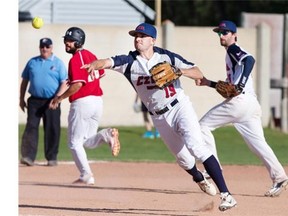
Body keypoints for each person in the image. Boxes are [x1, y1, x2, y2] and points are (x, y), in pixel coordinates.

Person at [81, 22, 237, 211]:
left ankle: (227, 195)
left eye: (142, 36)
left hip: (180, 107)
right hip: (159, 117)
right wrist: (95, 64)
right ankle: (198, 177)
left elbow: (197, 72)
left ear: (152, 40)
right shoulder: (129, 61)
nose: (137, 39)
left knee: (197, 147)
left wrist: (180, 71)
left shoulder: (166, 56)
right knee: (184, 161)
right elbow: (106, 62)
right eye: (135, 36)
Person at [196, 20, 288, 197]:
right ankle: (280, 177)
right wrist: (209, 83)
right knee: (258, 144)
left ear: (234, 35)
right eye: (220, 33)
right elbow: (230, 87)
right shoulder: (230, 55)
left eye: (225, 32)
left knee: (202, 126)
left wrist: (241, 85)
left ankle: (212, 166)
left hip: (239, 103)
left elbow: (250, 60)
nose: (222, 35)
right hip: (250, 105)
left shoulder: (233, 49)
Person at [49, 27, 120, 185]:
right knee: (87, 141)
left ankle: (86, 175)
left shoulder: (75, 59)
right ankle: (107, 134)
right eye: (66, 40)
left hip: (82, 103)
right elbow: (97, 75)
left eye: (70, 41)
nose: (66, 43)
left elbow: (78, 85)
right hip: (97, 101)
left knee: (74, 143)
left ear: (78, 42)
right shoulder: (90, 55)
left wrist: (59, 98)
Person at [19, 37, 68, 167]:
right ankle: (28, 156)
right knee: (31, 127)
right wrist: (21, 99)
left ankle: (52, 157)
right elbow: (25, 81)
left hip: (52, 101)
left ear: (51, 48)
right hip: (34, 100)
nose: (44, 49)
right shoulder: (32, 62)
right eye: (42, 47)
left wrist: (57, 98)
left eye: (47, 47)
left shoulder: (58, 63)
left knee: (52, 128)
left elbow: (64, 82)